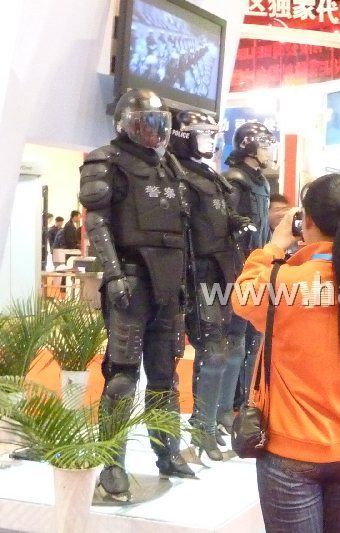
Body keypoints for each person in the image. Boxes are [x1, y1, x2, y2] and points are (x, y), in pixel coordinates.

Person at [232, 173, 340, 531]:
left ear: (308, 221)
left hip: (292, 446)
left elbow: (241, 297)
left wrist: (273, 247)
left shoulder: (281, 282)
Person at [79, 88, 193, 498]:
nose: (153, 132)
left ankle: (167, 452)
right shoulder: (106, 160)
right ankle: (113, 464)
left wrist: (188, 282)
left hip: (169, 283)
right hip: (131, 280)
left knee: (164, 377)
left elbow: (184, 232)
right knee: (123, 377)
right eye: (146, 123)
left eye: (159, 123)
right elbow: (97, 223)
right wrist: (113, 275)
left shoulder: (171, 167)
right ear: (126, 124)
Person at [170, 109, 248, 460]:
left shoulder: (208, 175)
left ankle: (212, 420)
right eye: (203, 133)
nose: (210, 141)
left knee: (225, 348)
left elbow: (218, 218)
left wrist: (236, 222)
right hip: (196, 275)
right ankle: (200, 426)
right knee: (212, 350)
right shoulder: (176, 174)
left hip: (221, 271)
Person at [219, 121, 273, 433]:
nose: (269, 151)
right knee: (235, 342)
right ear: (249, 147)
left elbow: (262, 232)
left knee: (254, 342)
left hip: (258, 269)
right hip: (239, 272)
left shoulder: (260, 182)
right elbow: (227, 228)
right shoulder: (234, 180)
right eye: (264, 145)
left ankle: (245, 401)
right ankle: (224, 409)